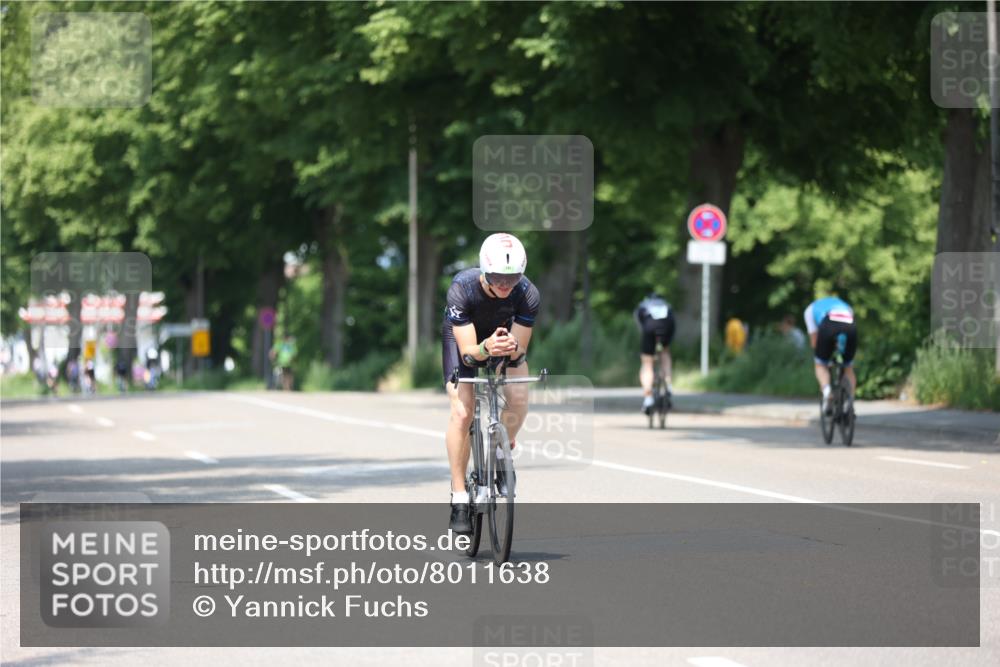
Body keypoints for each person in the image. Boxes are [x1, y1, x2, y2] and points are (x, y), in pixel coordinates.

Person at [442, 233, 539, 534]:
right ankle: (459, 496)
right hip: (466, 342)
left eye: (512, 278)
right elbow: (470, 353)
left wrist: (510, 349)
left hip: (502, 341)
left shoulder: (527, 294)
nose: (505, 285)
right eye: (498, 277)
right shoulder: (462, 288)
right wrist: (485, 349)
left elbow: (520, 350)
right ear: (485, 270)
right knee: (462, 411)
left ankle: (501, 451)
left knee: (520, 394)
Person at [803, 296, 858, 415]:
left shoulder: (810, 310)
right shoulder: (845, 305)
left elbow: (814, 342)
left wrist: (824, 356)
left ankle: (827, 392)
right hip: (850, 324)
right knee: (848, 367)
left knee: (820, 364)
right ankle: (850, 403)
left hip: (828, 324)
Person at [634, 293, 675, 413]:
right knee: (665, 354)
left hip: (649, 327)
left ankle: (648, 399)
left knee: (647, 363)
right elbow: (673, 324)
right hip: (667, 326)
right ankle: (668, 385)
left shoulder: (643, 306)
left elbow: (641, 326)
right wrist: (666, 344)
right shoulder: (667, 306)